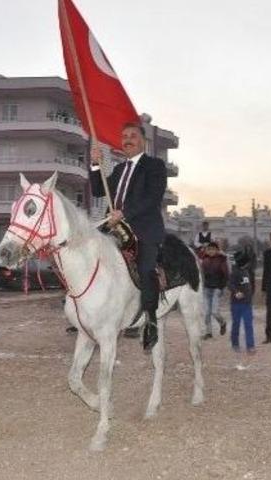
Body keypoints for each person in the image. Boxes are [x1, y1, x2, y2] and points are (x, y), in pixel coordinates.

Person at [90, 123, 168, 352]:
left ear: (144, 141)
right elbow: (97, 190)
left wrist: (124, 213)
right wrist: (95, 164)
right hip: (113, 229)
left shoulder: (154, 166)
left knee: (145, 269)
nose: (127, 140)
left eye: (133, 136)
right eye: (124, 136)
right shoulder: (118, 170)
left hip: (144, 229)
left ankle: (150, 320)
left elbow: (153, 198)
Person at [228, 250, 255, 354]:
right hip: (236, 304)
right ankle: (235, 343)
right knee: (236, 324)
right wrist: (236, 292)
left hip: (247, 303)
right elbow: (230, 284)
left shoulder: (247, 271)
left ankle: (250, 346)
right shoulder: (235, 272)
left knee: (248, 324)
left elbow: (249, 285)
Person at [200, 241, 228, 339]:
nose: (210, 251)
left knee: (214, 311)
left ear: (217, 250)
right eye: (209, 249)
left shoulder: (221, 260)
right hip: (207, 288)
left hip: (217, 289)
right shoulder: (204, 259)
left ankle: (222, 322)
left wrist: (221, 287)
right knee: (207, 312)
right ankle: (209, 332)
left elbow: (226, 275)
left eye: (213, 249)